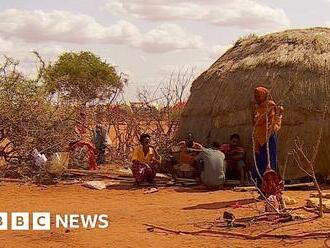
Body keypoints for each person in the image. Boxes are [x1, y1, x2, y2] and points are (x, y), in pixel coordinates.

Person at [252, 86, 283, 190]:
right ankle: (262, 188)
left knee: (269, 163)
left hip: (269, 136)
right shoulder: (257, 108)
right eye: (255, 96)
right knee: (260, 163)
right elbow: (256, 122)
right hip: (259, 139)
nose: (256, 98)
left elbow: (267, 120)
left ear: (264, 96)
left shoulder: (270, 106)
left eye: (258, 96)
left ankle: (271, 189)